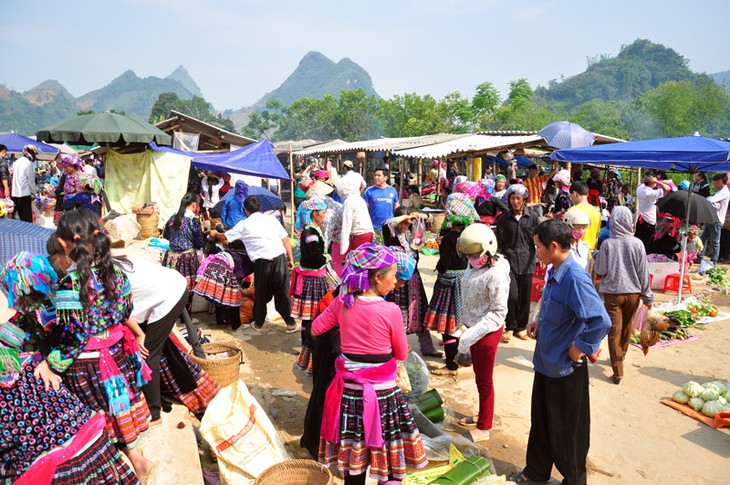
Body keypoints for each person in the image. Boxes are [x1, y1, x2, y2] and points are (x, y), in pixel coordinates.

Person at [0, 253, 140, 485]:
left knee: (91, 417)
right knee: (111, 417)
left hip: (75, 370)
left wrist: (45, 361)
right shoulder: (72, 290)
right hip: (110, 358)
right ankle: (131, 459)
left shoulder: (33, 312)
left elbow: (9, 344)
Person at [39, 210, 154, 480]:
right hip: (118, 356)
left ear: (67, 242)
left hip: (89, 366)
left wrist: (50, 364)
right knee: (118, 411)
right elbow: (126, 310)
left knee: (101, 417)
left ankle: (130, 465)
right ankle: (139, 461)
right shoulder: (115, 271)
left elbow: (75, 336)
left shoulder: (72, 284)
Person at [311, 244, 428, 484]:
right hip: (383, 396)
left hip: (349, 395)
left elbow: (315, 328)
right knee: (388, 458)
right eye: (393, 275)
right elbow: (402, 354)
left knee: (354, 460)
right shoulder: (391, 310)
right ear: (377, 277)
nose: (396, 281)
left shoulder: (342, 303)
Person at [508, 219, 610, 485]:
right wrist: (537, 322)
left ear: (553, 246)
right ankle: (535, 472)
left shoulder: (575, 278)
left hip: (565, 369)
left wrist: (579, 348)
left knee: (568, 432)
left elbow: (600, 320)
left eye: (538, 246)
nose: (535, 251)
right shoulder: (555, 271)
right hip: (546, 363)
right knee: (540, 422)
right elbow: (557, 308)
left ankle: (574, 480)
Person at [452, 224, 510, 443]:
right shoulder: (475, 265)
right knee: (479, 378)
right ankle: (482, 414)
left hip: (486, 332)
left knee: (485, 381)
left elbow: (498, 312)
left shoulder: (496, 275)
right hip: (473, 328)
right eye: (468, 256)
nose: (471, 259)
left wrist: (470, 335)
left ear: (489, 250)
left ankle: (484, 427)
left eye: (475, 255)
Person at [211, 196, 297, 331]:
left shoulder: (244, 224)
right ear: (260, 207)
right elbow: (285, 240)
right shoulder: (271, 220)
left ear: (245, 210)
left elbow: (225, 237)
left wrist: (215, 233)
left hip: (262, 262)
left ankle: (258, 323)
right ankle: (290, 323)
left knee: (261, 294)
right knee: (282, 293)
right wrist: (290, 259)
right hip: (280, 258)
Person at [594, 206, 653, 385]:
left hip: (613, 294)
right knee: (627, 327)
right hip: (634, 293)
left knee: (614, 330)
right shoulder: (637, 244)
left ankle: (618, 370)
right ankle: (622, 354)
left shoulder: (607, 244)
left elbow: (600, 270)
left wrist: (597, 256)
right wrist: (648, 296)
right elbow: (644, 272)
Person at [426, 193, 478, 375]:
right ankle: (462, 357)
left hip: (448, 287)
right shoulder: (469, 238)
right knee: (462, 323)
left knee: (448, 327)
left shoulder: (447, 239)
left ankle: (451, 364)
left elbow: (444, 264)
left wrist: (439, 268)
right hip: (465, 284)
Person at [382, 207, 439, 358]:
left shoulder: (412, 232)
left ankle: (427, 348)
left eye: (408, 222)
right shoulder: (392, 233)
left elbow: (431, 220)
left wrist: (418, 216)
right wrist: (403, 218)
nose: (405, 225)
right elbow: (387, 222)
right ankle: (395, 348)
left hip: (414, 280)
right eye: (403, 222)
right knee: (397, 313)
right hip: (396, 280)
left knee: (419, 311)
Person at [496, 184, 540, 342]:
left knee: (525, 296)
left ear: (524, 200)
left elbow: (539, 239)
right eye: (512, 198)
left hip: (528, 261)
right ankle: (510, 327)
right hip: (509, 261)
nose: (515, 201)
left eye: (518, 199)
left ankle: (521, 327)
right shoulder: (503, 219)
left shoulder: (533, 217)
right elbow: (499, 242)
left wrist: (541, 255)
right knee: (512, 295)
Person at [291, 197, 330, 375]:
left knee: (312, 316)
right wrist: (326, 258)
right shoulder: (311, 233)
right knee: (311, 317)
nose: (324, 216)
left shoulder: (312, 230)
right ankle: (308, 347)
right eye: (323, 213)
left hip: (314, 278)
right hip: (313, 281)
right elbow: (315, 257)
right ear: (315, 213)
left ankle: (307, 347)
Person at [162, 193, 205, 312]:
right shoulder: (193, 220)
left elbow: (166, 235)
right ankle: (185, 318)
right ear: (194, 205)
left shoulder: (173, 217)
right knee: (187, 289)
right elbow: (199, 241)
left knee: (174, 287)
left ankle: (173, 313)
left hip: (171, 258)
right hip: (187, 258)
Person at [338, 172, 374, 258]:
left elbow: (346, 226)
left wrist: (343, 250)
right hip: (368, 233)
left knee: (358, 261)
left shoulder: (348, 202)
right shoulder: (359, 199)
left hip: (359, 236)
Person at [698, 173, 730, 269]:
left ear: (720, 181)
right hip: (711, 218)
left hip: (717, 220)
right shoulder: (719, 191)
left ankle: (713, 260)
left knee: (715, 241)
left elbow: (712, 200)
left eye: (715, 182)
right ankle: (700, 257)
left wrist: (705, 199)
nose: (714, 185)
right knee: (703, 239)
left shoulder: (725, 192)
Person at [634, 174, 671, 252]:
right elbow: (667, 189)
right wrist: (657, 181)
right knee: (647, 243)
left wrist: (652, 181)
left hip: (641, 218)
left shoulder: (639, 189)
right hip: (649, 221)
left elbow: (642, 183)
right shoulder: (651, 193)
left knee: (637, 241)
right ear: (651, 183)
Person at [363, 167, 399, 243]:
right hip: (373, 227)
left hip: (389, 227)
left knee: (388, 249)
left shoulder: (392, 190)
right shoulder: (369, 191)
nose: (376, 177)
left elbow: (396, 206)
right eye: (375, 175)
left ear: (385, 177)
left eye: (379, 175)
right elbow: (364, 209)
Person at [565, 181, 603, 252]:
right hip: (590, 253)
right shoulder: (597, 213)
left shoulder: (571, 211)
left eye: (571, 196)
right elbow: (596, 236)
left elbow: (566, 234)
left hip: (575, 253)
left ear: (574, 194)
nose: (571, 199)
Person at [11, 145, 39, 222]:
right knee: (26, 219)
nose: (34, 155)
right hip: (25, 193)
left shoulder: (16, 162)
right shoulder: (28, 163)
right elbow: (30, 180)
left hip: (15, 193)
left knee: (17, 218)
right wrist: (33, 192)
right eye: (33, 153)